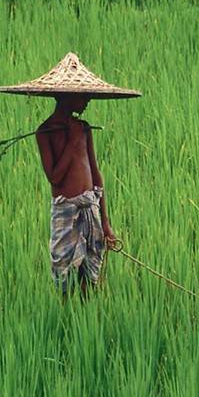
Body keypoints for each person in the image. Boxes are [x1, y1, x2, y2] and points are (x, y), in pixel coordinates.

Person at [35, 94, 118, 296]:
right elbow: (54, 177)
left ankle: (85, 316)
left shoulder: (83, 128)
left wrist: (106, 224)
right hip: (66, 210)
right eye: (84, 97)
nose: (87, 102)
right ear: (68, 96)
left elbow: (96, 177)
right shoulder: (45, 131)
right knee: (64, 273)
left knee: (90, 276)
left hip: (91, 207)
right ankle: (67, 319)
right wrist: (72, 142)